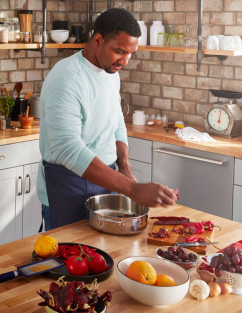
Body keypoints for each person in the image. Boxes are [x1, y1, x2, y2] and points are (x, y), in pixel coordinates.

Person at [37, 8, 177, 231]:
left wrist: (124, 163)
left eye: (131, 53)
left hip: (107, 181)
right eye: (120, 51)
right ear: (98, 40)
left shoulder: (111, 73)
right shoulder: (66, 78)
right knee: (67, 262)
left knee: (104, 257)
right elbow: (67, 150)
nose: (126, 60)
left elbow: (116, 117)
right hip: (67, 184)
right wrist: (133, 189)